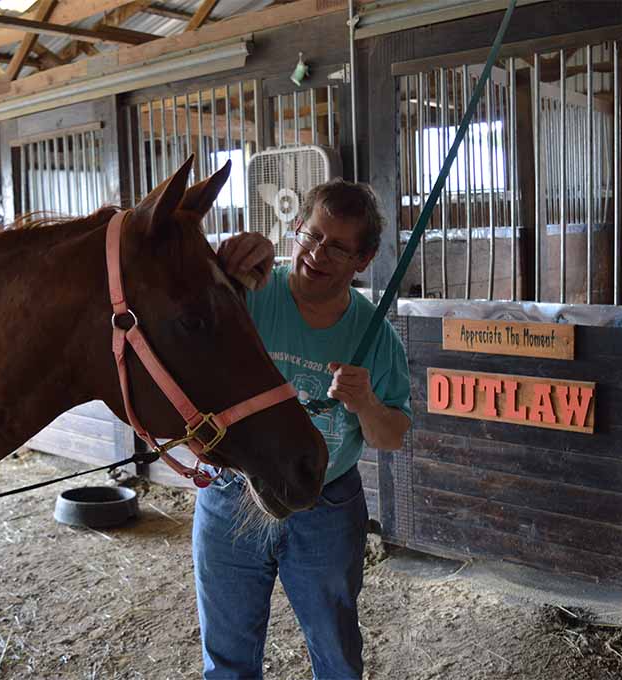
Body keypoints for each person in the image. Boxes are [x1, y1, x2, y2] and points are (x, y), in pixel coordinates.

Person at [193, 178, 412, 680]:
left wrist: (366, 404)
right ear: (296, 226)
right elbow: (180, 288)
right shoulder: (251, 294)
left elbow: (392, 437)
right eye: (311, 235)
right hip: (234, 492)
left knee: (335, 649)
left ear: (365, 258)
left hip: (325, 505)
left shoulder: (374, 335)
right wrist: (228, 255)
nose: (317, 253)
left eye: (338, 247)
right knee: (226, 655)